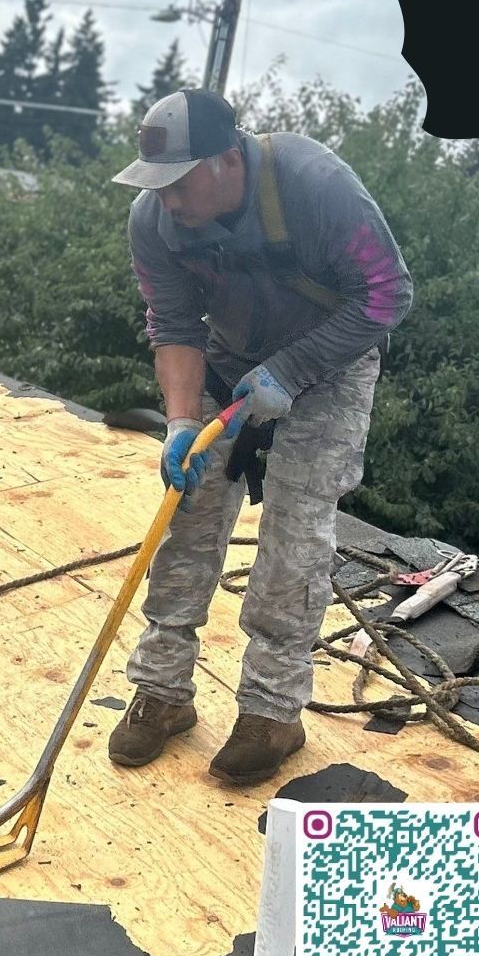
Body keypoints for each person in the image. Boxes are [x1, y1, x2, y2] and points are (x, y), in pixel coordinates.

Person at [107, 88, 412, 784]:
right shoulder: (154, 219)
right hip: (230, 358)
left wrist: (292, 372)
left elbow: (388, 294)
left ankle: (272, 711)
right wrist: (182, 422)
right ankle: (162, 691)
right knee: (185, 511)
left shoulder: (315, 185)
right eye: (157, 185)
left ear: (226, 159)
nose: (167, 201)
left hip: (330, 363)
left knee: (293, 534)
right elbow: (173, 324)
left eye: (180, 183)